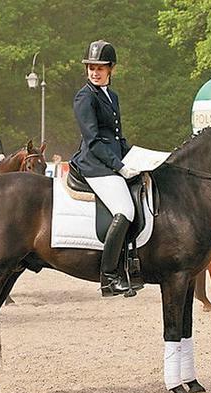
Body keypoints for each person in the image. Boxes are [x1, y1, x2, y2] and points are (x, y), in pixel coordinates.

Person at [70, 40, 141, 297]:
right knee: (125, 209)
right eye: (91, 67)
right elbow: (94, 140)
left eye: (100, 67)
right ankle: (109, 276)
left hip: (111, 159)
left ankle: (132, 264)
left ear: (111, 69)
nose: (94, 72)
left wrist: (137, 157)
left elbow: (117, 137)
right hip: (95, 164)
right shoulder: (85, 97)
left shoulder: (112, 95)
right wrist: (119, 167)